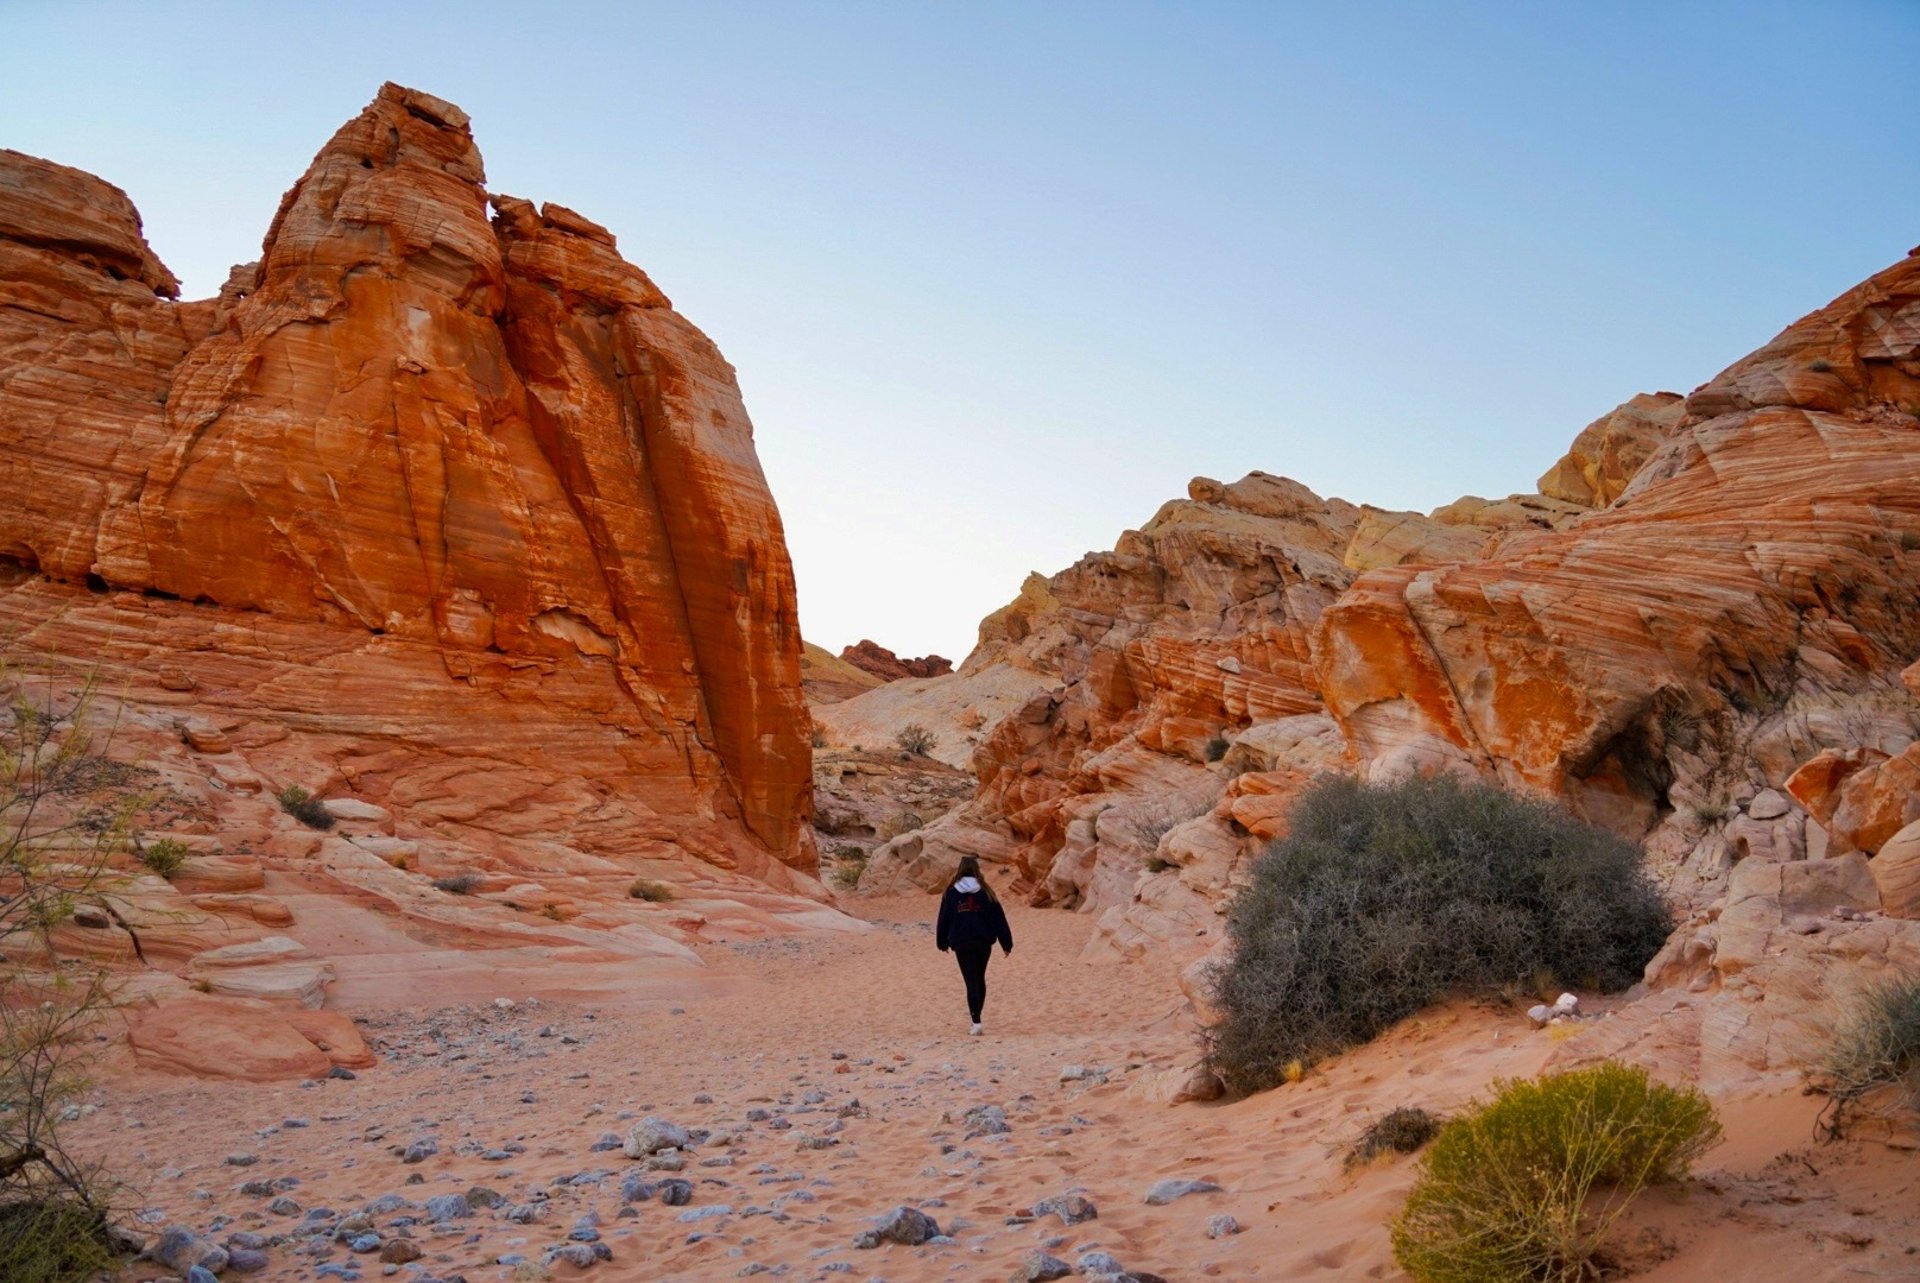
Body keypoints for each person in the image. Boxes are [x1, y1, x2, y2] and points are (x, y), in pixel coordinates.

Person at [934, 855, 1013, 1035]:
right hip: (983, 941)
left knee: (971, 981)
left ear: (960, 869)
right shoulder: (986, 891)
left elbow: (943, 918)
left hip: (961, 941)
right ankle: (977, 1018)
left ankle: (976, 1021)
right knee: (979, 978)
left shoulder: (951, 892)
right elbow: (999, 919)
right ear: (977, 869)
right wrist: (1006, 943)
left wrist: (942, 942)